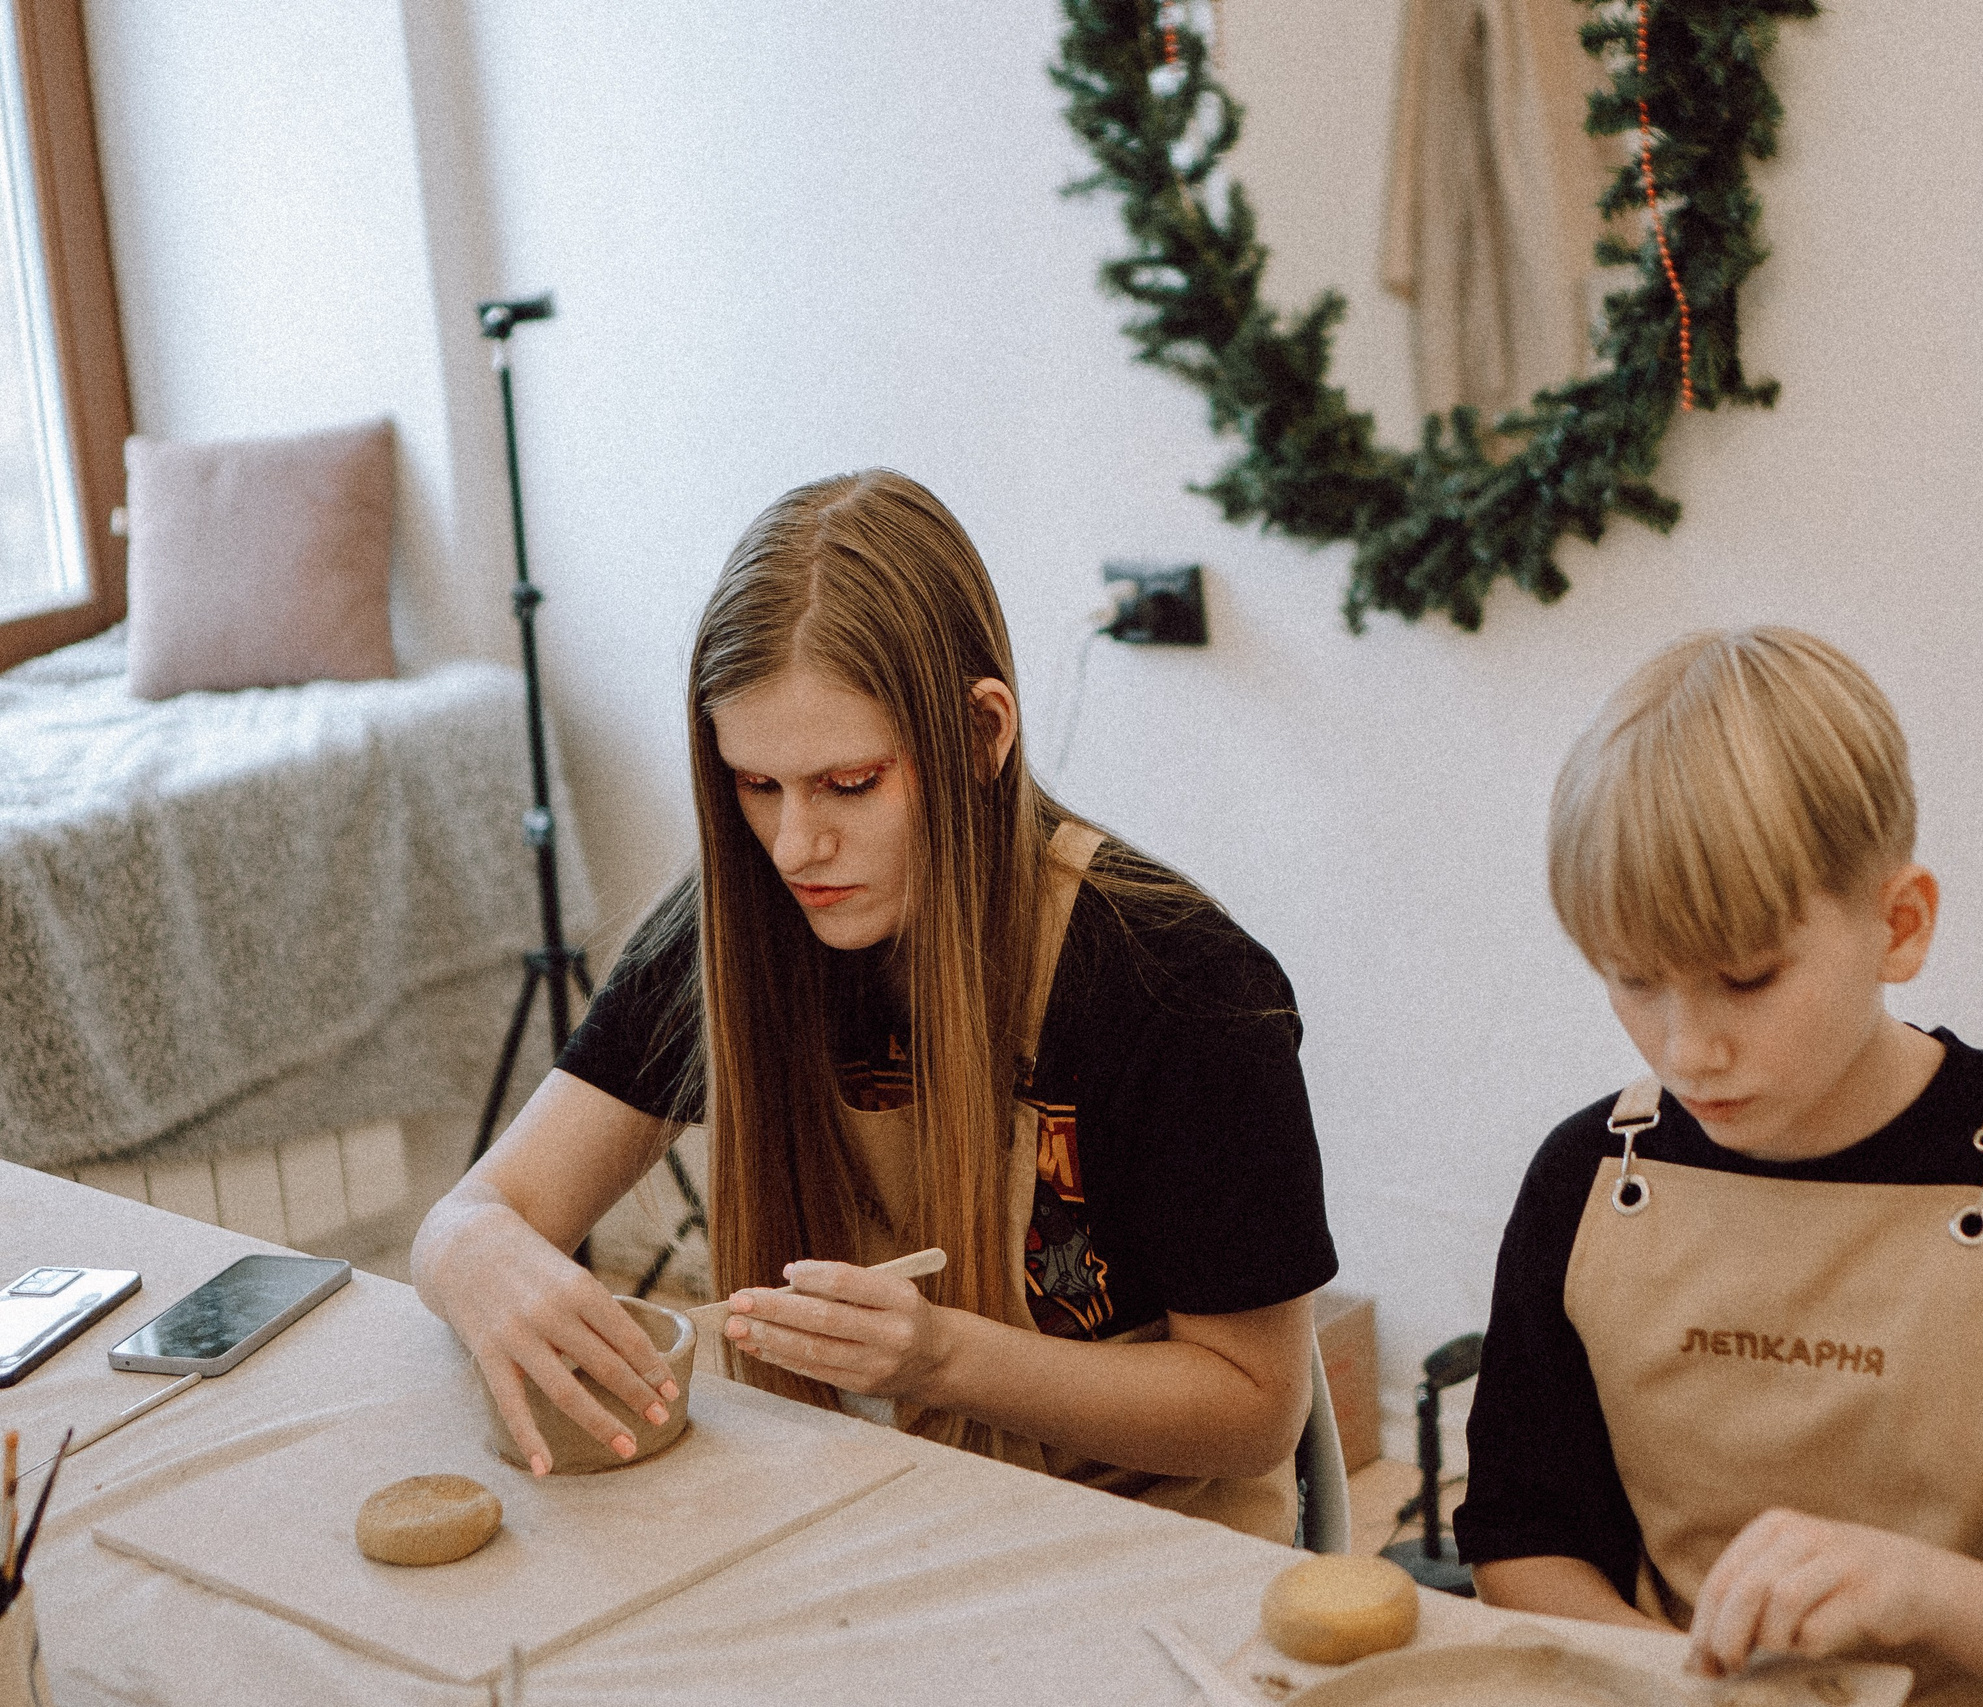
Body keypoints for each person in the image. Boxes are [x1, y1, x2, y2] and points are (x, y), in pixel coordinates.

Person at [411, 469, 1335, 1541]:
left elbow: (1254, 1411)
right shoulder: (741, 928)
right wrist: (480, 1255)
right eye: (757, 787)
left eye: (850, 785)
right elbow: (477, 1214)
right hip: (871, 1510)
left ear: (983, 734)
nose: (797, 847)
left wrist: (945, 1358)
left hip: (1143, 1542)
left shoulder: (1178, 983)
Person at [1453, 628, 1983, 1704]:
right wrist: (1685, 1682)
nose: (1685, 1050)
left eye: (1747, 979)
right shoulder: (1586, 1176)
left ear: (1898, 926)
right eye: (1633, 981)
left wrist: (1921, 1592)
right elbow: (1523, 1542)